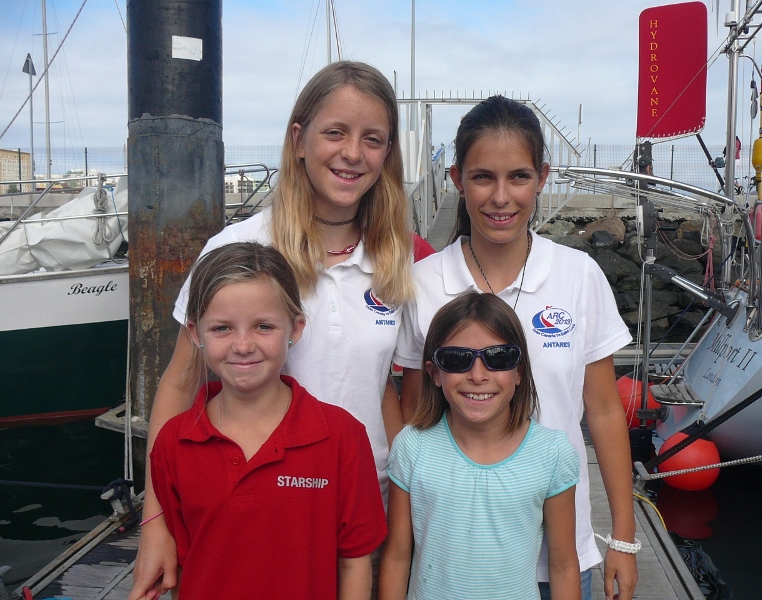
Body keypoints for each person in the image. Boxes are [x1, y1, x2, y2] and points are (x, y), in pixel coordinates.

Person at [130, 61, 415, 599]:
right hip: (258, 511)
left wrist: (407, 495)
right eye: (335, 132)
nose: (353, 153)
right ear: (299, 139)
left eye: (372, 139)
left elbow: (381, 385)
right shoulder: (238, 248)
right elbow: (180, 384)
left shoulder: (394, 258)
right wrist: (156, 522)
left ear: (387, 153)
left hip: (363, 508)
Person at [393, 96, 639, 600]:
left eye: (519, 177)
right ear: (457, 180)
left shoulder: (579, 275)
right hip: (453, 555)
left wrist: (623, 536)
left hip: (562, 558)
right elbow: (417, 413)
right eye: (483, 177)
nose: (501, 197)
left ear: (542, 177)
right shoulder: (422, 283)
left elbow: (603, 410)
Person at [149, 242, 386, 598]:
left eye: (263, 326)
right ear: (195, 333)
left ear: (296, 328)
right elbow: (184, 564)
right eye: (222, 329)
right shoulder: (173, 442)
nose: (243, 345)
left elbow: (354, 563)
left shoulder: (342, 437)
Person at [380, 292, 580, 599]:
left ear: (519, 372)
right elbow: (396, 557)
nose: (477, 375)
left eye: (498, 358)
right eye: (457, 360)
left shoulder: (552, 453)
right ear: (434, 374)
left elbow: (564, 565)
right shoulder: (411, 447)